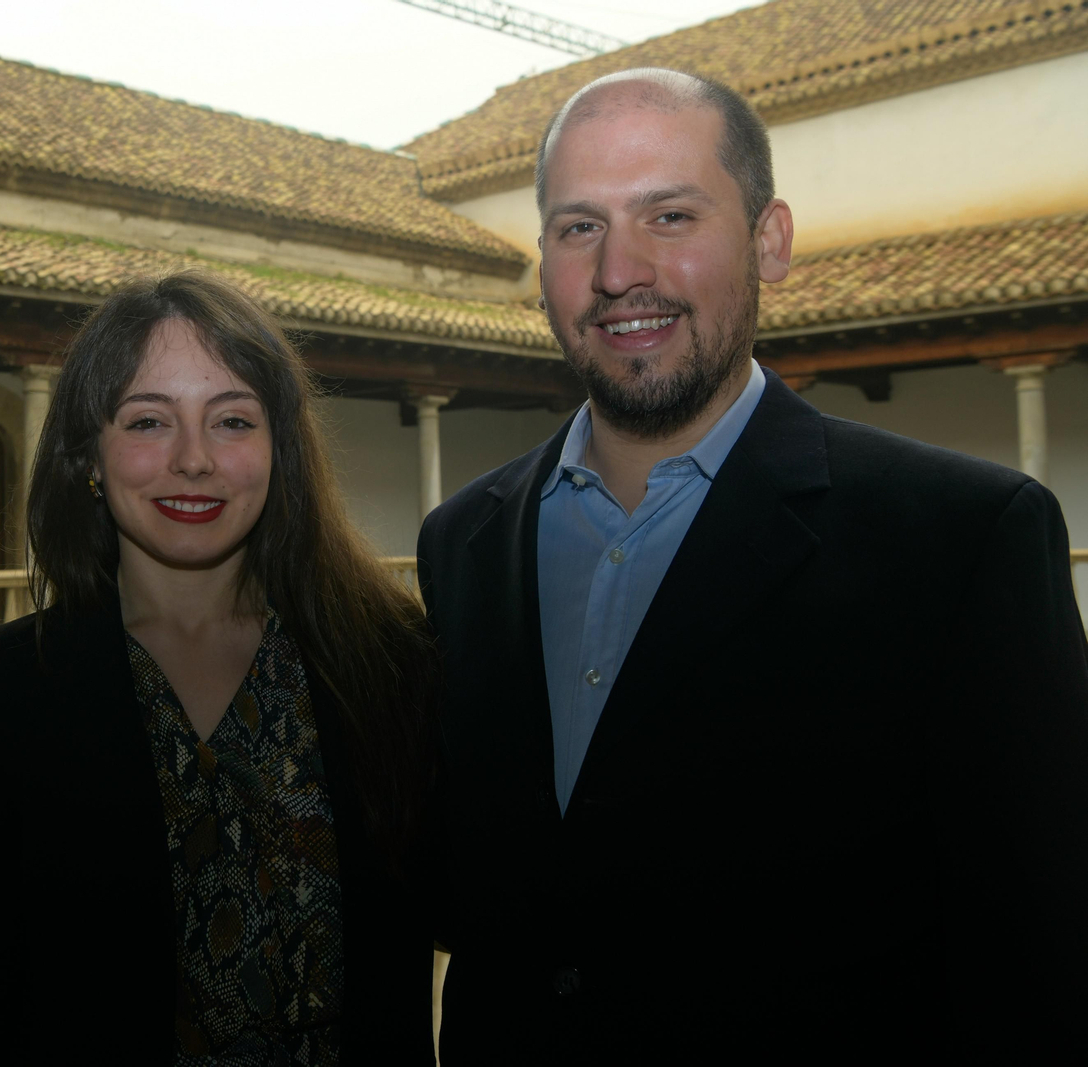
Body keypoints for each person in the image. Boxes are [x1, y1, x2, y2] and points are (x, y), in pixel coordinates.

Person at [419, 67, 1088, 1060]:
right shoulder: (462, 542)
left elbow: (1042, 958)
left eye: (671, 215)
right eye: (577, 226)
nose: (618, 272)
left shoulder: (964, 539)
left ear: (769, 241)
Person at [0, 271, 440, 1063]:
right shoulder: (13, 686)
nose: (193, 460)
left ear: (279, 452)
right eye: (149, 420)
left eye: (232, 420)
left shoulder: (386, 658)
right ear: (88, 452)